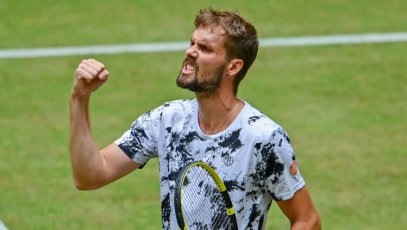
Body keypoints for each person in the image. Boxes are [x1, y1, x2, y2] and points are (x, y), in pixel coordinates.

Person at [70, 8, 321, 230]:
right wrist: (80, 98)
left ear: (233, 67)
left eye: (205, 48)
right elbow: (90, 176)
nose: (190, 52)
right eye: (192, 43)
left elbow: (307, 219)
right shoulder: (167, 120)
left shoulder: (263, 137)